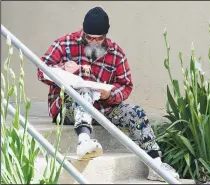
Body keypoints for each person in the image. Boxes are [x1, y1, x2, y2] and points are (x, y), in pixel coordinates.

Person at [37, 6, 179, 181]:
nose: (93, 42)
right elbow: (41, 71)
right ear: (83, 32)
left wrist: (108, 95)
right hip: (67, 108)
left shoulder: (116, 52)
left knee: (136, 112)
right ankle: (84, 141)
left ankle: (156, 165)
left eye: (99, 38)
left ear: (106, 36)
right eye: (89, 38)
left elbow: (126, 85)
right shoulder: (64, 43)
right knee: (83, 93)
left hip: (103, 108)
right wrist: (61, 69)